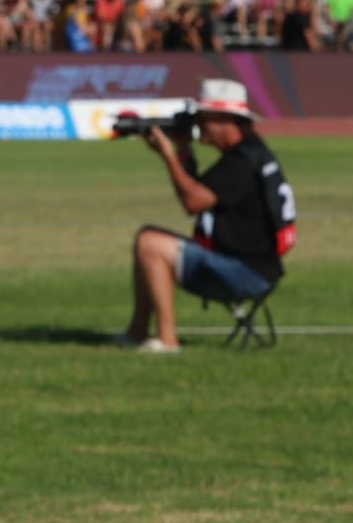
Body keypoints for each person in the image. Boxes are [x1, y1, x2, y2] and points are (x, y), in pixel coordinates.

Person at [118, 78, 293, 353]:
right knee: (147, 238)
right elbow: (200, 191)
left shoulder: (241, 162)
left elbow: (192, 201)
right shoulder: (250, 153)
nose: (199, 125)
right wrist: (184, 150)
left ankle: (166, 340)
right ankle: (136, 333)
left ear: (226, 120)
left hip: (245, 272)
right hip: (254, 267)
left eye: (204, 118)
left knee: (150, 243)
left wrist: (168, 155)